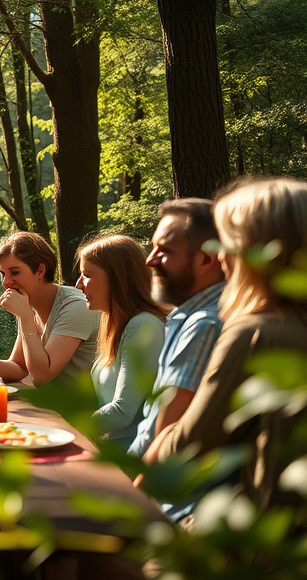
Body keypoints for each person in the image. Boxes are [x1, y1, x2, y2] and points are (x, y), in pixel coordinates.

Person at [145, 177, 307, 514]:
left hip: (256, 544)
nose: (221, 259)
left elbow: (187, 448)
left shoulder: (254, 332)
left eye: (229, 244)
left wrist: (160, 444)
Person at [127, 199, 225, 459]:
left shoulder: (205, 324)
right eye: (152, 248)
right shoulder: (186, 316)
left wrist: (125, 490)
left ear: (206, 260)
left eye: (164, 250)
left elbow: (166, 434)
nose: (150, 261)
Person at [0, 231, 100, 385]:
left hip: (84, 406)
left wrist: (26, 318)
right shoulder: (28, 303)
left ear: (40, 271)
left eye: (15, 272)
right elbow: (19, 366)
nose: (6, 282)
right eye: (3, 274)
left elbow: (42, 376)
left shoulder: (76, 307)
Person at [76, 235, 167, 449]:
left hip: (130, 455)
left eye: (87, 275)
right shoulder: (116, 324)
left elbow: (123, 412)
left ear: (117, 278)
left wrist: (71, 429)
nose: (79, 284)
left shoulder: (143, 325)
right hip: (107, 446)